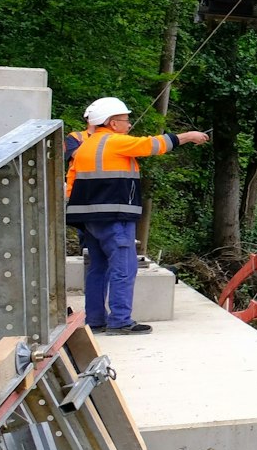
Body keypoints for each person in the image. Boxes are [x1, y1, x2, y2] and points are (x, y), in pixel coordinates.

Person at [65, 97, 210, 336]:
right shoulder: (115, 142)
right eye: (125, 120)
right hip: (114, 217)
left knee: (97, 269)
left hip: (90, 219)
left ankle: (96, 320)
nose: (129, 124)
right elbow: (153, 145)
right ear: (112, 123)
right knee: (124, 267)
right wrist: (188, 136)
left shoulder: (85, 147)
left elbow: (72, 182)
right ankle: (120, 320)